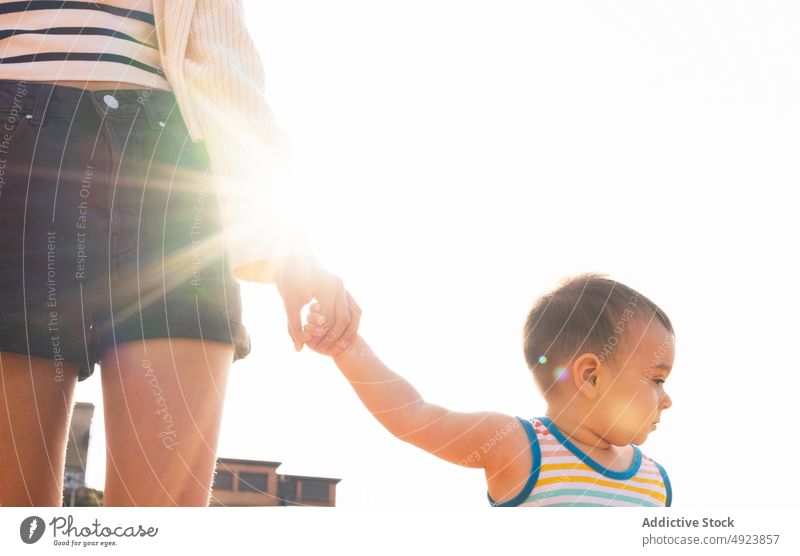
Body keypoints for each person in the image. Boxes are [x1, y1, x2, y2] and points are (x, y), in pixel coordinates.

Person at [0, 0, 358, 507]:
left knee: (162, 523)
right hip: (14, 148)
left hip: (172, 163)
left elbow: (225, 70)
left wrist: (290, 249)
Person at [300, 273, 674, 506]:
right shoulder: (519, 447)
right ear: (591, 376)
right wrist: (345, 347)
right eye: (657, 378)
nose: (667, 399)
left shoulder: (656, 484)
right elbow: (412, 415)